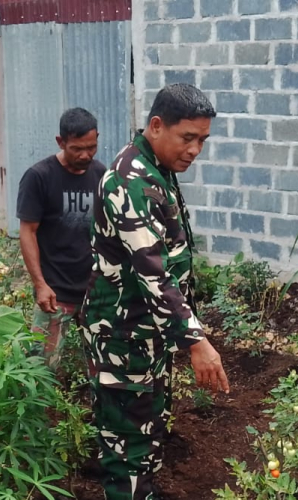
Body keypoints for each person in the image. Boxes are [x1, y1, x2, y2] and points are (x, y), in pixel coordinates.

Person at [81, 83, 230, 500]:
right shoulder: (129, 180)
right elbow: (154, 273)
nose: (195, 150)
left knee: (147, 428)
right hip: (121, 336)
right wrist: (196, 341)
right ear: (157, 125)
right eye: (188, 138)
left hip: (146, 332)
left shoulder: (156, 168)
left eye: (202, 140)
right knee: (128, 444)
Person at [16, 107, 107, 369]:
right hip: (55, 292)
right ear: (61, 142)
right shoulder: (39, 177)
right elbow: (28, 232)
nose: (85, 155)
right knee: (41, 369)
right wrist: (40, 284)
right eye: (77, 149)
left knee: (104, 368)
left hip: (94, 290)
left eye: (91, 147)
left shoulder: (101, 174)